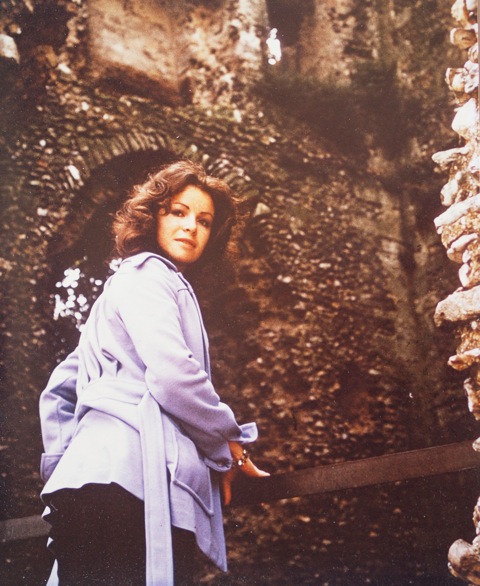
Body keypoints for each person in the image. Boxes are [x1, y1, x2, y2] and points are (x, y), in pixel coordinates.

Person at [39, 159, 269, 585]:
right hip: (131, 491)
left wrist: (70, 463)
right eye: (178, 212)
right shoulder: (150, 275)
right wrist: (228, 443)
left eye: (204, 220)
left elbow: (58, 390)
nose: (191, 226)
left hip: (90, 486)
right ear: (153, 217)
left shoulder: (120, 289)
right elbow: (173, 375)